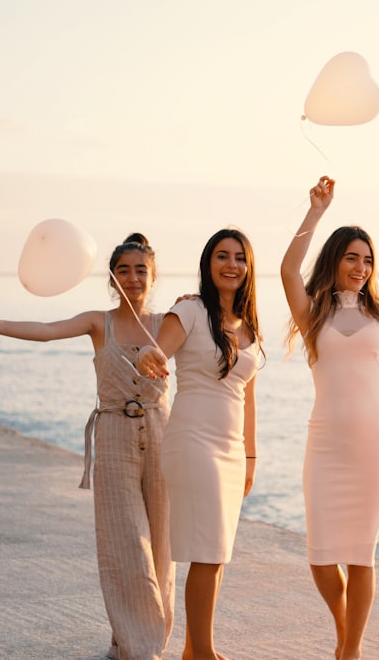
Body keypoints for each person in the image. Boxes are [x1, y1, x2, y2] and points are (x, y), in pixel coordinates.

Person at [0, 234, 175, 660]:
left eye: (141, 269)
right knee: (125, 543)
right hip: (116, 432)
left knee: (161, 546)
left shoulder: (168, 323)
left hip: (163, 434)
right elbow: (47, 330)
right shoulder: (98, 321)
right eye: (123, 269)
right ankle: (142, 646)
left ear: (153, 276)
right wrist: (0, 325)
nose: (132, 277)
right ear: (112, 277)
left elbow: (211, 341)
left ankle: (132, 639)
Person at [280, 176, 379, 660]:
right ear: (335, 260)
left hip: (374, 446)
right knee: (321, 557)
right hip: (325, 446)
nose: (361, 268)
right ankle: (345, 633)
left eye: (367, 260)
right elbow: (287, 270)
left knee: (361, 555)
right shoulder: (314, 313)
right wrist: (317, 211)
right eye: (351, 258)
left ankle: (351, 651)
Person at [137, 228, 262, 660]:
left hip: (231, 450)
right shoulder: (189, 310)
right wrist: (148, 357)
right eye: (222, 256)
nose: (232, 265)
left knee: (218, 549)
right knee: (207, 551)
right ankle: (203, 653)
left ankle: (195, 648)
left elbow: (247, 396)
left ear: (248, 268)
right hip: (193, 441)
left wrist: (250, 456)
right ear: (209, 264)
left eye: (240, 258)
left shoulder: (248, 325)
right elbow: (157, 350)